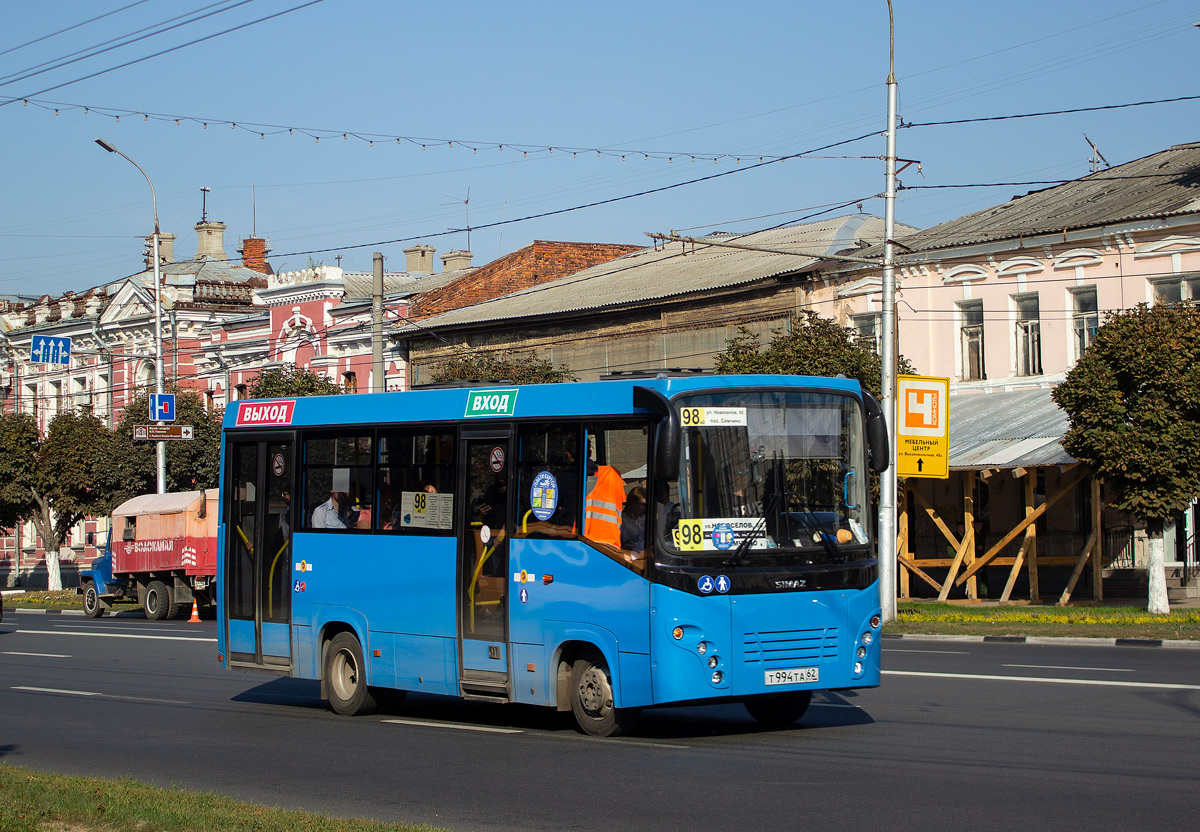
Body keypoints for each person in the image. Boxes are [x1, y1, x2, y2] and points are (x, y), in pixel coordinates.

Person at [620, 485, 647, 553]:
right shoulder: (622, 519)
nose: (642, 508)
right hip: (627, 554)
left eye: (645, 505)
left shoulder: (646, 518)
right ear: (632, 503)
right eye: (640, 504)